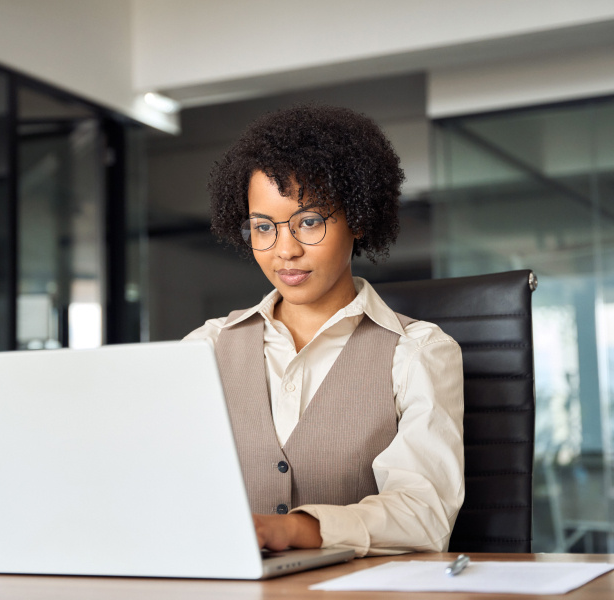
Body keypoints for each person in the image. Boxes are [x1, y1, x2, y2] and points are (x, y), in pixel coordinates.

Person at [184, 104, 464, 557]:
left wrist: (295, 530)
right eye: (263, 228)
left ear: (357, 217)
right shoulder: (206, 348)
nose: (285, 250)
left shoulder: (417, 352)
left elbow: (424, 513)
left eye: (309, 221)